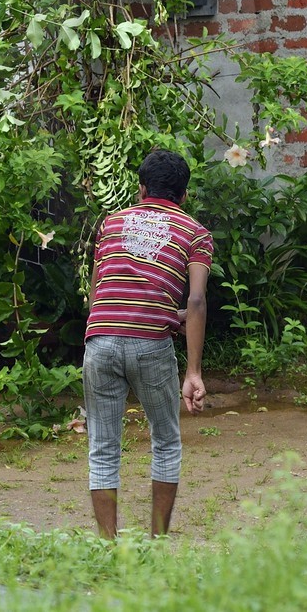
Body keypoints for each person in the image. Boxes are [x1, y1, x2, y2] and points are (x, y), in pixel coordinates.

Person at [83, 148, 211, 538]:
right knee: (166, 442)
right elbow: (195, 300)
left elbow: (97, 290)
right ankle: (155, 544)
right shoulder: (194, 233)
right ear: (184, 196)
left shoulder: (111, 223)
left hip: (100, 338)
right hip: (151, 345)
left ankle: (108, 547)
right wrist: (193, 371)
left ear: (141, 189)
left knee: (103, 448)